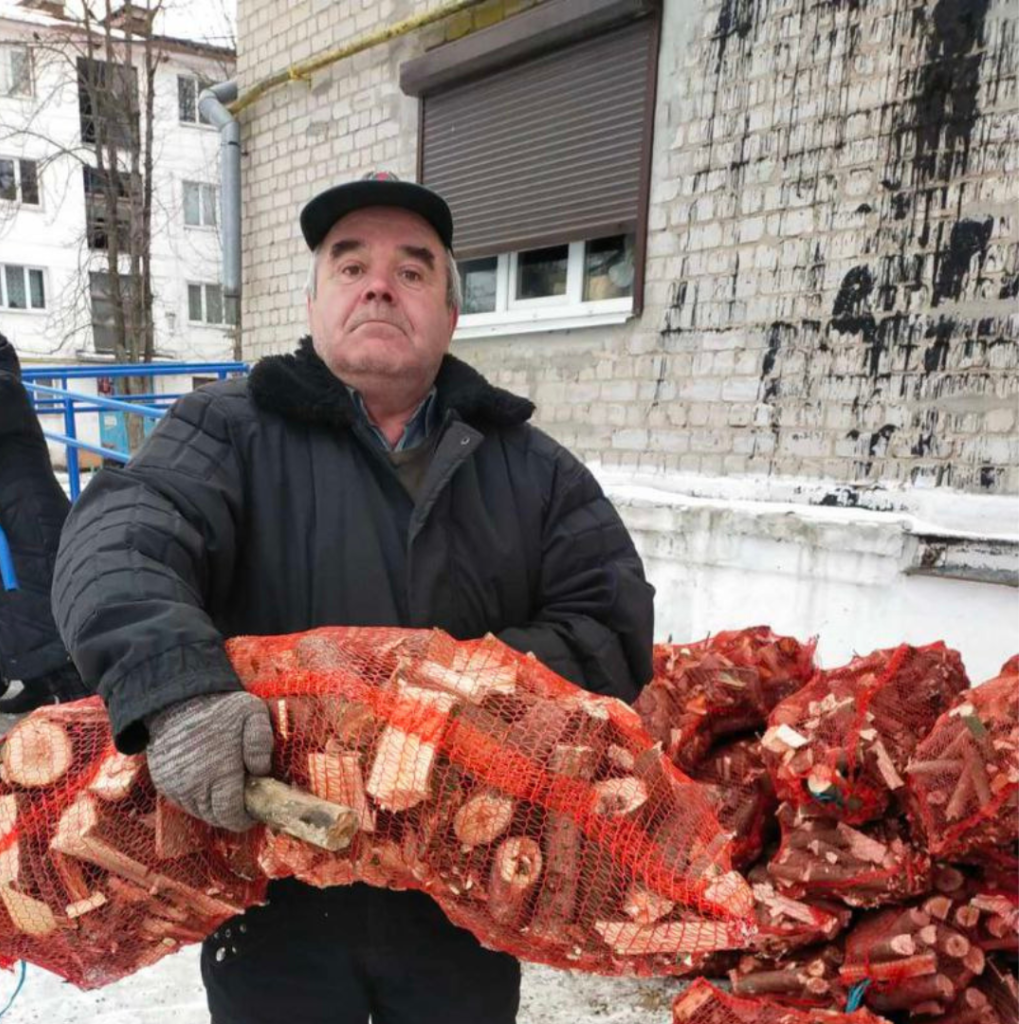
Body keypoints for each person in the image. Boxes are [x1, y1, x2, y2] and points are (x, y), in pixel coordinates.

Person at [52, 172, 655, 1024]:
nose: (379, 283)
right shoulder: (221, 432)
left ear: (450, 315)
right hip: (273, 893)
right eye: (350, 265)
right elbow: (120, 538)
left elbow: (609, 621)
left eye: (413, 271)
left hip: (467, 895)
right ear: (314, 303)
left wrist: (450, 711)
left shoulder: (533, 468)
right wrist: (174, 683)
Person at [0, 327, 89, 714]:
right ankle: (36, 681)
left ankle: (82, 704)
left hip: (28, 519)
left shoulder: (6, 389)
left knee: (42, 612)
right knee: (14, 609)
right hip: (7, 520)